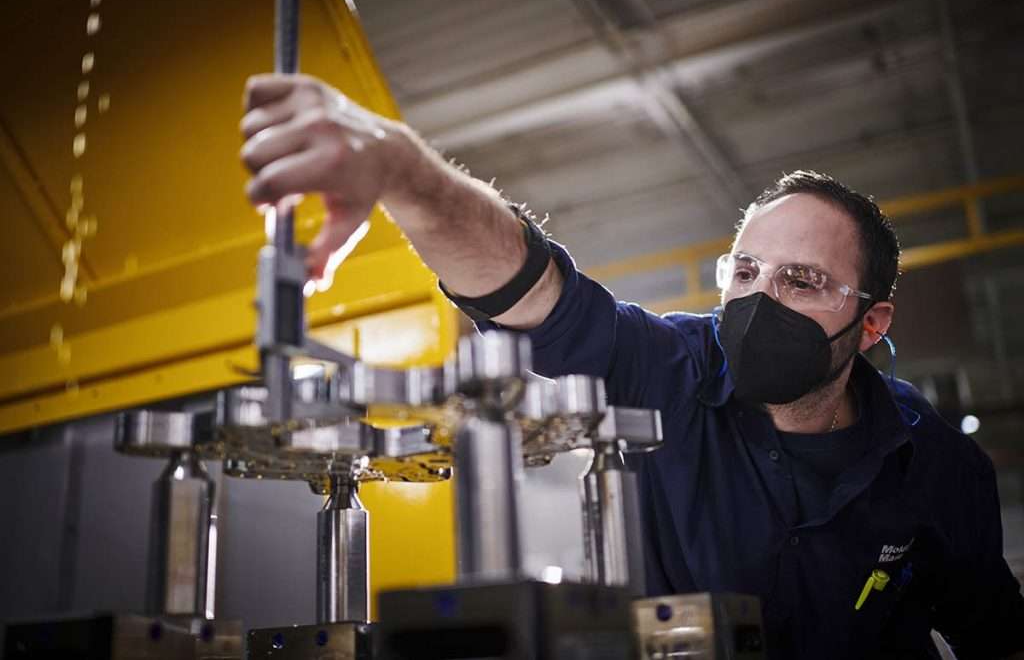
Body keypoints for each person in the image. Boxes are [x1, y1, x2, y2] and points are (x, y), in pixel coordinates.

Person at [240, 74, 1024, 659]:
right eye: (745, 271)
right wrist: (403, 173)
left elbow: (994, 635)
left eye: (803, 281)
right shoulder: (671, 367)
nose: (759, 300)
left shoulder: (938, 464)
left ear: (871, 320)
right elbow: (534, 293)